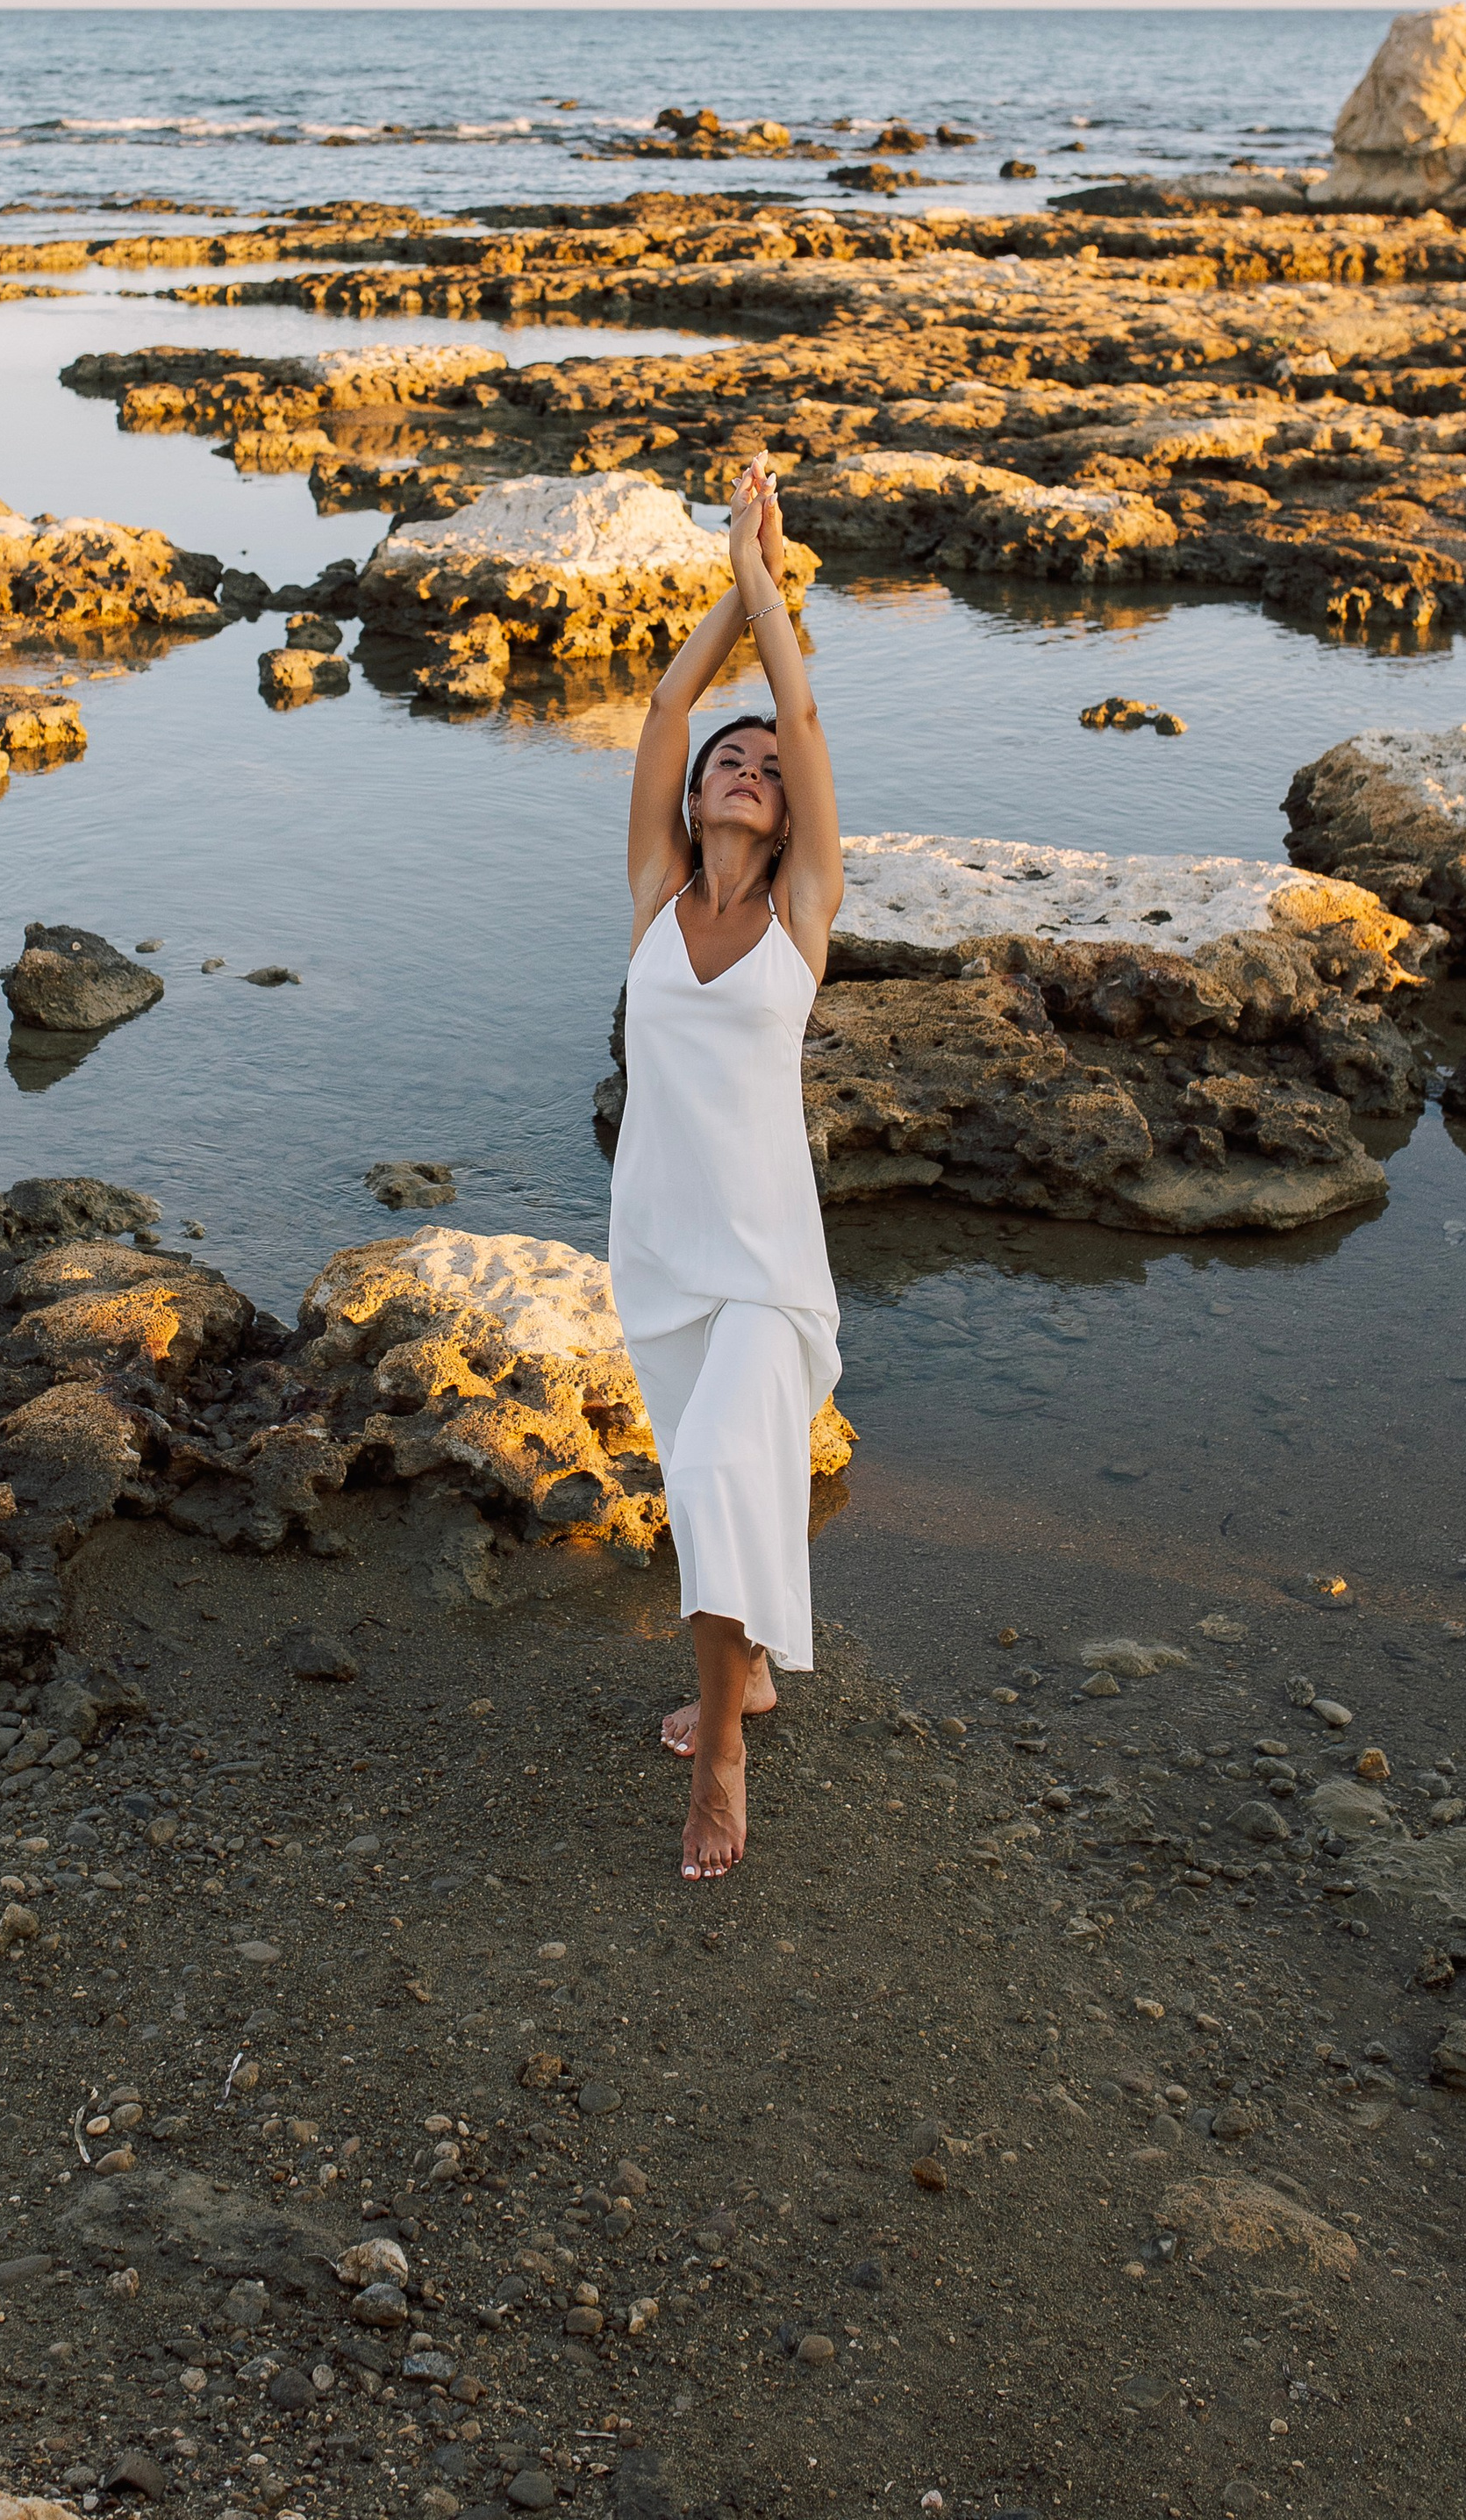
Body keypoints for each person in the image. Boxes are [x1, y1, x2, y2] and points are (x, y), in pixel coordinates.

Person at [609, 452, 843, 1879]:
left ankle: (730, 1760)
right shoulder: (653, 901)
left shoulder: (803, 916)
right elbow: (661, 705)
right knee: (725, 1479)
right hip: (658, 1247)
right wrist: (726, 575)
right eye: (729, 764)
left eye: (767, 769)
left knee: (710, 1473)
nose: (750, 767)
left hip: (764, 1261)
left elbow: (797, 706)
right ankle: (742, 1666)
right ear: (696, 800)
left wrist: (767, 568)